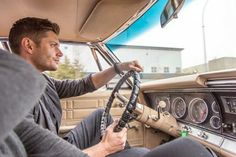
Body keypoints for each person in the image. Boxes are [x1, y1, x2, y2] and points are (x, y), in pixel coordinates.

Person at [8, 17, 216, 157]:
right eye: (54, 45)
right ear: (28, 45)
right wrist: (104, 147)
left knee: (101, 116)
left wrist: (118, 68)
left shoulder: (43, 81)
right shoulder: (12, 95)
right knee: (189, 147)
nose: (60, 53)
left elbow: (85, 84)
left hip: (56, 145)